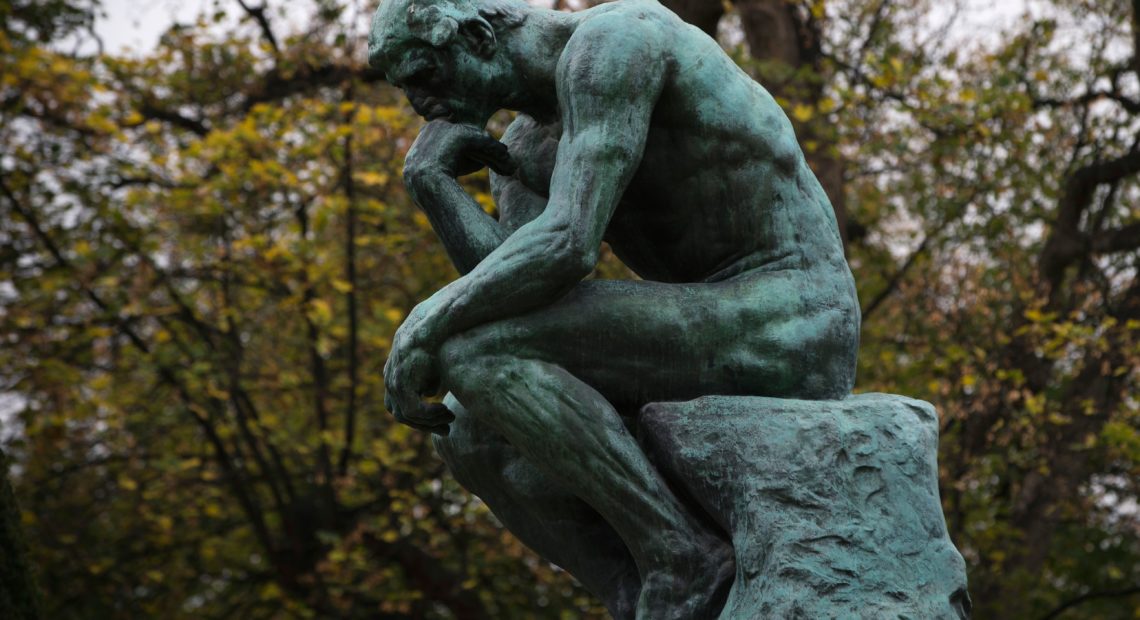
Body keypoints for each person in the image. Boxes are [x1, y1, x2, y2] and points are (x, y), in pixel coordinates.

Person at [367, 0, 860, 617]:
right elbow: (518, 285)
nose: (417, 101)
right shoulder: (525, 141)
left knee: (473, 350)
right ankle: (634, 593)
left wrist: (426, 323)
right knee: (465, 428)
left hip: (794, 314)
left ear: (477, 35)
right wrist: (433, 186)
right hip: (709, 318)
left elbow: (568, 247)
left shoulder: (616, 44)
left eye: (424, 74)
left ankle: (681, 557)